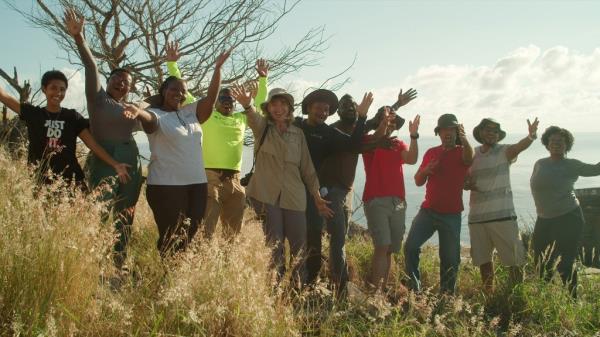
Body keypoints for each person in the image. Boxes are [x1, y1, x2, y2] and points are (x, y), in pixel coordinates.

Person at [122, 51, 231, 256]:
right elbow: (149, 120)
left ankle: (179, 279)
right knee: (171, 236)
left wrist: (217, 69)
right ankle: (168, 278)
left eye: (183, 91)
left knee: (191, 232)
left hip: (197, 185)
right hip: (166, 186)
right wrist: (138, 110)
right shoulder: (157, 114)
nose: (179, 94)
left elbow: (211, 97)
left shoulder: (190, 112)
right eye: (174, 89)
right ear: (164, 91)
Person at [229, 84, 332, 285]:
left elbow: (308, 169)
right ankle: (274, 287)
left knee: (299, 245)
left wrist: (317, 196)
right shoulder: (262, 128)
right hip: (269, 196)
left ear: (289, 109)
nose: (278, 108)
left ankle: (297, 287)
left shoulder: (298, 134)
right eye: (274, 104)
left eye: (283, 104)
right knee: (274, 245)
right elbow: (252, 118)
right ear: (268, 108)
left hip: (295, 196)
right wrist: (247, 104)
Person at [164, 41, 268, 239]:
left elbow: (259, 106)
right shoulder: (207, 115)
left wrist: (263, 79)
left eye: (231, 101)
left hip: (236, 182)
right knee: (206, 230)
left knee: (233, 234)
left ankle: (225, 266)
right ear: (216, 101)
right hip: (210, 179)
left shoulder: (240, 119)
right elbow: (185, 95)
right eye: (223, 100)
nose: (227, 103)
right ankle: (202, 262)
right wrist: (172, 65)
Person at [65, 9, 143, 267]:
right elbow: (91, 65)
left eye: (126, 82)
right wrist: (80, 39)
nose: (121, 83)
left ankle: (118, 262)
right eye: (117, 79)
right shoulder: (98, 98)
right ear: (108, 81)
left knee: (126, 212)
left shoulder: (131, 106)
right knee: (99, 209)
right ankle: (91, 262)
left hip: (131, 157)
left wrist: (140, 105)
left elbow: (153, 109)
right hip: (104, 158)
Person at [318, 88, 417, 292]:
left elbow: (378, 123)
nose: (349, 108)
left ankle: (348, 282)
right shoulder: (337, 130)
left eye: (352, 105)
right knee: (338, 239)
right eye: (344, 105)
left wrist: (396, 106)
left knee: (344, 239)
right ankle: (342, 285)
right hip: (332, 190)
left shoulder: (361, 130)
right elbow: (377, 129)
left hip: (347, 191)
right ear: (338, 111)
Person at [0, 70, 130, 188]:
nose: (58, 93)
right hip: (40, 178)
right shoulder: (33, 114)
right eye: (53, 88)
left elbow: (92, 145)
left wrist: (115, 164)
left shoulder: (72, 117)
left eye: (62, 89)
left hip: (72, 179)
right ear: (44, 89)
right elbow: (5, 97)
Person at [294, 89, 372, 285]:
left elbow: (353, 145)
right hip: (289, 187)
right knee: (292, 234)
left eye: (326, 109)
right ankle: (287, 276)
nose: (322, 112)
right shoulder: (296, 125)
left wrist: (362, 117)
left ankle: (310, 281)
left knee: (313, 234)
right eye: (318, 108)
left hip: (312, 191)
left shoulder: (328, 133)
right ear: (308, 108)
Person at [466, 117, 539, 293]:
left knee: (514, 260)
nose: (491, 133)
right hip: (477, 218)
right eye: (488, 130)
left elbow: (519, 147)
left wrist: (531, 136)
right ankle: (489, 296)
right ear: (480, 132)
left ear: (498, 136)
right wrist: (464, 183)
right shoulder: (472, 154)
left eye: (495, 131)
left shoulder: (504, 152)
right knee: (484, 261)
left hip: (503, 217)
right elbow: (464, 178)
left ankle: (516, 296)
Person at [404, 113, 473, 294]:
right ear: (439, 133)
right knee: (410, 247)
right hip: (428, 212)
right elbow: (418, 180)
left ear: (457, 132)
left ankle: (446, 297)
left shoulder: (461, 152)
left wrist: (465, 140)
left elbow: (469, 158)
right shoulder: (431, 152)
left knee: (450, 259)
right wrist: (426, 170)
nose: (447, 133)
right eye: (444, 130)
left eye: (451, 129)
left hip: (451, 215)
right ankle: (414, 289)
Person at [530, 126, 600, 297]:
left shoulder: (572, 165)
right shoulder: (539, 163)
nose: (556, 144)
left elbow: (596, 169)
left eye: (561, 141)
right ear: (547, 143)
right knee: (540, 260)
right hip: (544, 219)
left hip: (568, 217)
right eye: (553, 141)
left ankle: (573, 298)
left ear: (567, 145)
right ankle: (544, 299)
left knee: (565, 263)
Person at [362, 108, 420, 292]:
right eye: (386, 121)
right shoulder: (370, 142)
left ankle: (382, 291)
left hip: (398, 201)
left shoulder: (398, 143)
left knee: (390, 249)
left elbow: (411, 159)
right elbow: (374, 139)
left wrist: (414, 136)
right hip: (376, 199)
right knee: (382, 245)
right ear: (379, 122)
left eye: (393, 123)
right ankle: (374, 293)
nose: (390, 125)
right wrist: (382, 126)